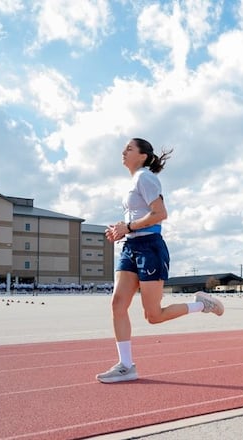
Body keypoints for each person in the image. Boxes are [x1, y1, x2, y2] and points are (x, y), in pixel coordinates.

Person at [96, 138, 225, 384]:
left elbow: (160, 214)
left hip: (150, 248)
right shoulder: (132, 182)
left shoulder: (145, 177)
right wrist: (120, 230)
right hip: (130, 247)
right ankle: (126, 365)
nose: (123, 152)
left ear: (142, 156)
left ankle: (202, 305)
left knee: (153, 316)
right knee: (118, 304)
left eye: (129, 148)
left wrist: (129, 226)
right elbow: (135, 218)